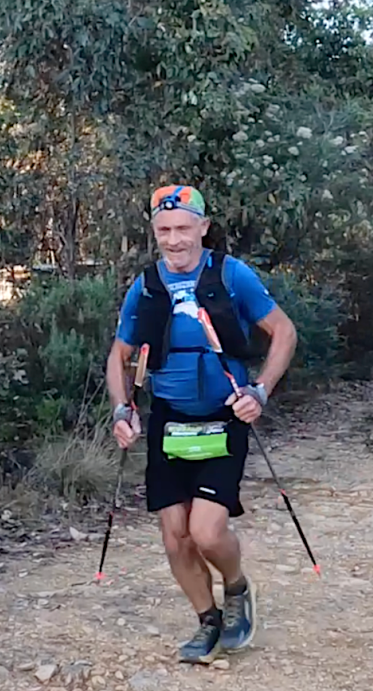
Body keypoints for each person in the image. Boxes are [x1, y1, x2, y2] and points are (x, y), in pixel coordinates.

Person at [105, 184, 297, 664]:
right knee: (176, 535)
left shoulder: (231, 276)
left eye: (183, 228)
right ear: (154, 233)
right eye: (164, 230)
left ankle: (236, 588)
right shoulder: (147, 285)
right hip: (169, 419)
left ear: (204, 228)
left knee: (208, 532)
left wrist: (260, 391)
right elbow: (120, 356)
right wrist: (121, 409)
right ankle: (207, 621)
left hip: (223, 414)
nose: (174, 239)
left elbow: (284, 332)